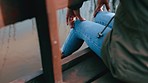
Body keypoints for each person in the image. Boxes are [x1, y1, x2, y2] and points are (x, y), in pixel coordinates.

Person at [61, 0, 148, 83]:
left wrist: (73, 7)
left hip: (136, 66)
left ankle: (60, 57)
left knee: (77, 25)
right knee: (99, 15)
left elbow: (74, 2)